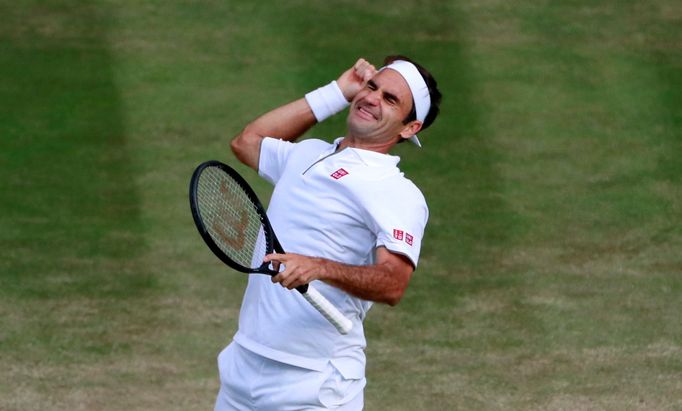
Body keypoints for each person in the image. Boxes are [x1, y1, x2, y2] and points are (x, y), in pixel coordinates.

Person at [214, 55, 442, 411]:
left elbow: (393, 283)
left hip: (315, 384)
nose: (372, 98)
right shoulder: (308, 153)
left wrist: (320, 267)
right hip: (242, 366)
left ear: (409, 128)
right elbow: (247, 142)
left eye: (390, 99)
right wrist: (337, 92)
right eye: (371, 87)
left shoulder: (396, 191)